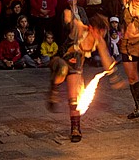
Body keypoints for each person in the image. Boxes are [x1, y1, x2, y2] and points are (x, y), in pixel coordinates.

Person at [47, 10, 118, 142]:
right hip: (60, 61)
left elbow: (107, 62)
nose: (100, 35)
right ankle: (54, 89)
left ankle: (75, 128)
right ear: (92, 28)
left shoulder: (99, 40)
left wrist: (113, 74)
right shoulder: (80, 29)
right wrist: (69, 15)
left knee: (75, 100)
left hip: (75, 68)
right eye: (99, 31)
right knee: (62, 70)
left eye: (103, 32)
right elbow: (71, 19)